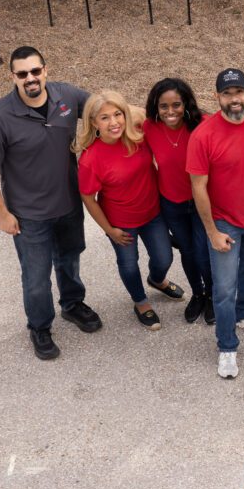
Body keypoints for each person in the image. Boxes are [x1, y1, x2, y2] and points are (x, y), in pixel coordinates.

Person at [0, 46, 102, 360]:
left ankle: (72, 305)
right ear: (13, 77)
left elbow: (105, 108)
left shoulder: (67, 96)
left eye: (35, 71)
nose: (30, 78)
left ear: (45, 70)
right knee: (36, 277)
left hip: (69, 205)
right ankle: (40, 326)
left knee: (70, 259)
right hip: (29, 216)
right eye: (22, 74)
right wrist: (1, 213)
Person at [187, 68, 244, 379]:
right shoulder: (203, 136)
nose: (234, 99)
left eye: (239, 92)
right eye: (227, 94)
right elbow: (198, 187)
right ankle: (227, 347)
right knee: (224, 289)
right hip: (225, 223)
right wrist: (212, 231)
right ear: (217, 97)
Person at [75, 91, 185, 331]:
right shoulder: (90, 159)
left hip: (153, 214)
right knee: (128, 264)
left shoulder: (137, 134)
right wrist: (109, 230)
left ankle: (157, 280)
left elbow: (151, 113)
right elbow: (88, 197)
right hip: (121, 223)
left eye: (117, 114)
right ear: (94, 123)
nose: (113, 122)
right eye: (104, 118)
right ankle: (141, 302)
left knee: (164, 257)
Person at [143, 78, 215, 326]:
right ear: (156, 107)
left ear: (186, 104)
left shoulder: (203, 125)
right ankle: (198, 293)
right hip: (171, 203)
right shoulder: (149, 127)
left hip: (200, 202)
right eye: (164, 106)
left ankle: (213, 295)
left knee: (203, 252)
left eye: (176, 105)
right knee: (188, 252)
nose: (170, 111)